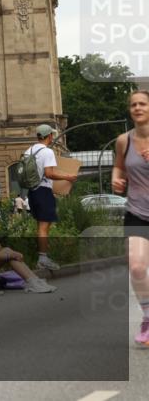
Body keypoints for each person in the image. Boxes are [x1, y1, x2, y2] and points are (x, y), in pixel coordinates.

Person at [112, 89, 149, 348]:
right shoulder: (123, 141)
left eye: (143, 104)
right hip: (137, 211)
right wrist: (116, 177)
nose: (137, 108)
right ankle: (148, 318)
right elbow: (119, 165)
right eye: (133, 104)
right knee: (136, 266)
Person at [24, 124, 78, 271]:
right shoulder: (47, 152)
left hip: (32, 191)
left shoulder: (29, 151)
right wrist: (68, 177)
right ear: (49, 136)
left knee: (40, 226)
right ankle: (42, 259)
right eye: (52, 135)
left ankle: (42, 257)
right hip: (43, 191)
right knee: (44, 227)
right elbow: (49, 174)